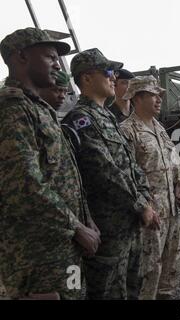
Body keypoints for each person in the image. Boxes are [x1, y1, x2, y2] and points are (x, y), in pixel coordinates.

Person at [0, 27, 100, 299]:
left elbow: (62, 175)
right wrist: (77, 227)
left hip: (64, 246)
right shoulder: (12, 108)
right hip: (39, 256)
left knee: (74, 292)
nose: (57, 63)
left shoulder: (39, 108)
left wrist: (85, 220)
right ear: (21, 57)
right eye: (49, 56)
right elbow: (26, 185)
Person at [62, 48, 159, 300]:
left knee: (131, 287)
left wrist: (145, 199)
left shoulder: (107, 117)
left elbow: (131, 164)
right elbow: (105, 172)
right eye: (108, 71)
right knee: (107, 292)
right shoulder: (80, 119)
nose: (113, 77)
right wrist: (141, 205)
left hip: (130, 222)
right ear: (86, 78)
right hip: (108, 228)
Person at [120, 76, 180, 300]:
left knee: (171, 265)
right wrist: (143, 207)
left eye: (159, 95)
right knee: (149, 270)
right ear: (138, 98)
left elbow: (174, 162)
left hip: (170, 210)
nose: (159, 99)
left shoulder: (159, 127)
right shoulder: (126, 131)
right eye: (154, 95)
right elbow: (126, 175)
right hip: (150, 214)